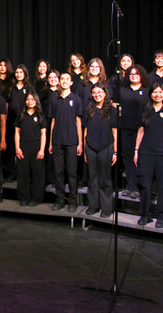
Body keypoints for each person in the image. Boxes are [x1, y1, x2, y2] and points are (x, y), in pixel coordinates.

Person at [135, 83, 163, 228]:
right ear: (151, 94)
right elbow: (141, 131)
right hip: (146, 152)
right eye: (155, 92)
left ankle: (162, 217)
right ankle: (145, 215)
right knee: (145, 185)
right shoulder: (145, 110)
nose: (157, 94)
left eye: (160, 92)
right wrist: (136, 150)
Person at [81, 86, 118, 217]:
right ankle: (93, 205)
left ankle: (106, 208)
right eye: (94, 93)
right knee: (92, 177)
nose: (97, 95)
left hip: (106, 147)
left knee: (105, 178)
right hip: (90, 147)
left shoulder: (112, 110)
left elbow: (115, 131)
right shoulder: (88, 109)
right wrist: (85, 149)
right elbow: (85, 130)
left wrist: (115, 151)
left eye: (100, 92)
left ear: (105, 94)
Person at [49, 73, 83, 212]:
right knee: (58, 172)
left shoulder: (76, 99)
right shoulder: (54, 100)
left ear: (71, 82)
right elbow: (53, 121)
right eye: (62, 79)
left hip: (71, 141)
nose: (64, 81)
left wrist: (80, 143)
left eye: (66, 79)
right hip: (57, 141)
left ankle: (73, 201)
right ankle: (60, 199)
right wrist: (51, 142)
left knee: (72, 172)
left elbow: (78, 122)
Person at [117, 65, 149, 198]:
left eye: (136, 74)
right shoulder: (123, 90)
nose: (134, 76)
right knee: (129, 158)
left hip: (142, 129)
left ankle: (141, 187)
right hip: (126, 128)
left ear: (141, 75)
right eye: (131, 74)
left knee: (141, 158)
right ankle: (131, 186)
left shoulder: (147, 91)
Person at [14, 90, 47, 206]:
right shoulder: (21, 115)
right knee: (23, 173)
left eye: (32, 99)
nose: (30, 101)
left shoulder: (41, 115)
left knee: (38, 174)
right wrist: (17, 148)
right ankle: (23, 198)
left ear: (36, 101)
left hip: (37, 146)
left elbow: (43, 133)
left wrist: (42, 149)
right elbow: (17, 132)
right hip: (23, 146)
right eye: (28, 99)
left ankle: (36, 199)